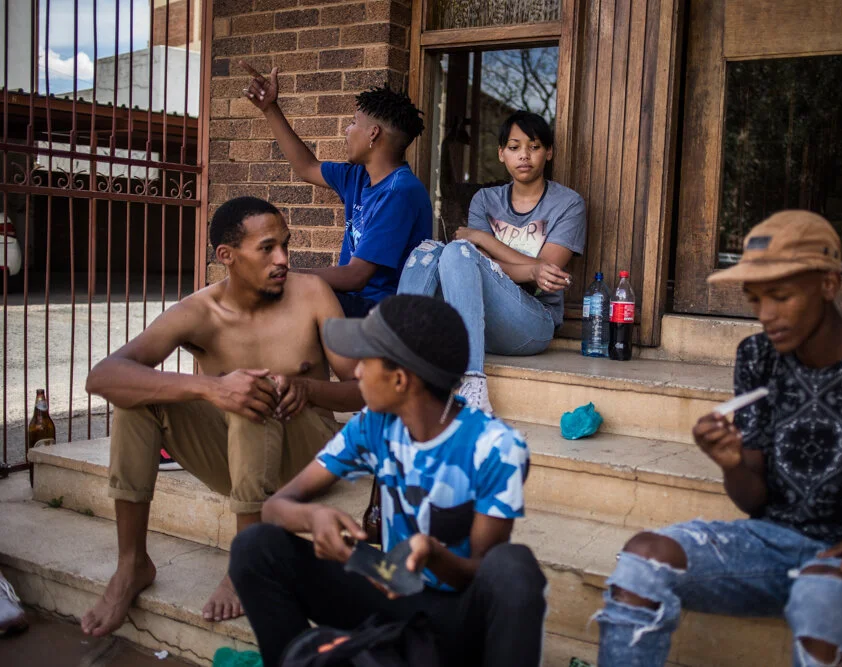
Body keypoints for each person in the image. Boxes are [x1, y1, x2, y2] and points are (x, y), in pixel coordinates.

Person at [595, 211, 842, 667]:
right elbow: (753, 499)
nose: (765, 315)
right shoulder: (758, 357)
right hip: (770, 546)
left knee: (819, 593)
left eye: (781, 297)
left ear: (828, 285)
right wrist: (731, 463)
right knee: (643, 558)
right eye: (755, 299)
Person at [80, 196, 364, 637]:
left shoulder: (313, 294)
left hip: (309, 452)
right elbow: (102, 377)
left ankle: (244, 558)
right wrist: (210, 387)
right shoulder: (199, 312)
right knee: (137, 399)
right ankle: (132, 563)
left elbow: (361, 391)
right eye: (267, 248)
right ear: (226, 256)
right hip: (234, 458)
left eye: (285, 245)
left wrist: (307, 388)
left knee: (254, 390)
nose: (283, 259)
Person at [229, 294, 546, 667]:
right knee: (256, 547)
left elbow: (480, 572)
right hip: (389, 585)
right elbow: (275, 507)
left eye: (365, 361)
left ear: (399, 379)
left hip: (458, 617)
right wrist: (313, 519)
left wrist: (433, 554)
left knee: (514, 566)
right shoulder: (373, 425)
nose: (357, 372)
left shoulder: (495, 447)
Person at [398, 111, 586, 413]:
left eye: (534, 147)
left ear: (548, 152)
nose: (524, 155)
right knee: (428, 251)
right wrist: (528, 268)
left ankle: (473, 384)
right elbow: (484, 265)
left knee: (460, 252)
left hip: (533, 322)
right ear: (501, 154)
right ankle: (400, 370)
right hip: (478, 319)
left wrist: (485, 240)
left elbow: (545, 270)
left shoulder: (568, 203)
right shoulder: (486, 200)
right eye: (514, 147)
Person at [241, 61, 432, 318]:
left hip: (380, 313)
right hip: (348, 301)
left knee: (276, 300)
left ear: (373, 133)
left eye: (354, 123)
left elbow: (356, 276)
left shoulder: (400, 192)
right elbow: (306, 167)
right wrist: (270, 108)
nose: (347, 130)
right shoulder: (358, 176)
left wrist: (282, 275)